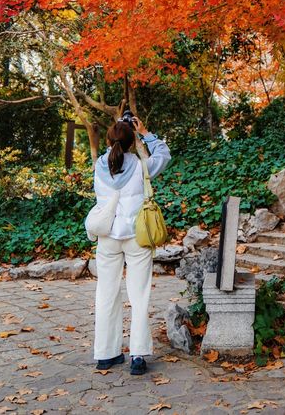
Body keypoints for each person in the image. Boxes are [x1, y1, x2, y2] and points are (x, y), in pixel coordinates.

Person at [92, 115, 171, 376]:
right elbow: (164, 155)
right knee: (139, 295)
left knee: (106, 293)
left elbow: (113, 153)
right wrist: (144, 133)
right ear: (130, 141)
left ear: (109, 141)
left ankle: (106, 354)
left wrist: (120, 130)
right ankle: (137, 355)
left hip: (107, 237)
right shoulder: (142, 165)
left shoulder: (99, 165)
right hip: (138, 236)